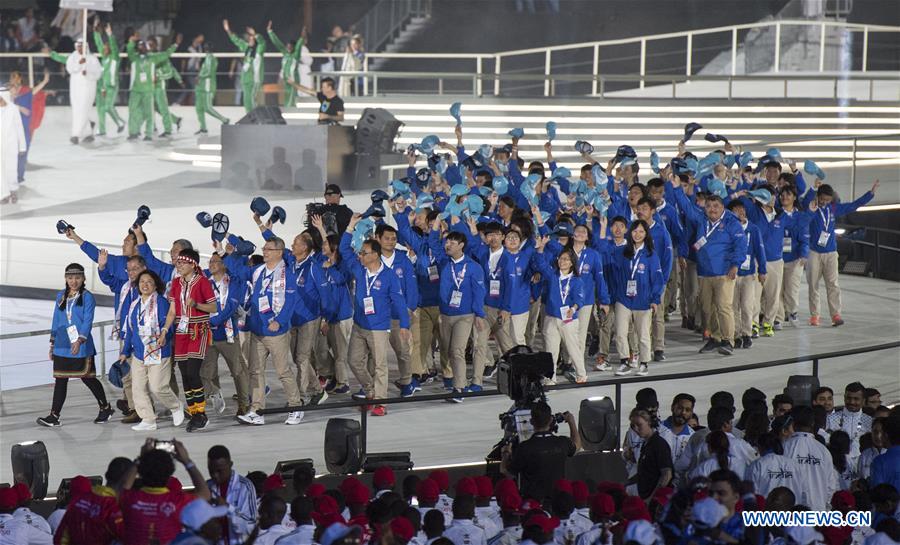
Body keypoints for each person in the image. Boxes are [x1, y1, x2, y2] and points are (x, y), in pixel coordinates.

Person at [228, 236, 304, 426]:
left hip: (276, 333)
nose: (264, 251)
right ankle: (257, 410)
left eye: (268, 249)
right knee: (255, 372)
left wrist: (279, 321)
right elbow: (235, 269)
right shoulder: (258, 271)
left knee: (282, 371)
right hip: (258, 331)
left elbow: (291, 301)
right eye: (264, 248)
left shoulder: (289, 275)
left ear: (279, 252)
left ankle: (296, 406)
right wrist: (235, 251)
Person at [339, 216, 410, 415]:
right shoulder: (359, 270)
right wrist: (350, 226)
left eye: (364, 252)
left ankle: (380, 402)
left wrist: (404, 325)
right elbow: (344, 249)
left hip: (379, 327)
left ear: (375, 255)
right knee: (354, 361)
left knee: (380, 365)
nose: (360, 255)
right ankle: (370, 391)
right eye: (360, 252)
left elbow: (399, 301)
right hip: (360, 325)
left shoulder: (389, 276)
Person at [37, 263, 113, 427]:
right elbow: (56, 319)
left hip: (81, 345)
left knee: (88, 378)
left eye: (77, 277)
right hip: (62, 344)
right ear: (65, 278)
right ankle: (54, 416)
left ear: (83, 278)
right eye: (70, 278)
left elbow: (87, 321)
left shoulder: (87, 297)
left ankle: (105, 407)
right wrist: (52, 343)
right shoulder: (61, 296)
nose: (73, 281)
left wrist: (79, 340)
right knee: (60, 380)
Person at [803, 180, 879, 326]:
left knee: (833, 284)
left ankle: (836, 315)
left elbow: (853, 205)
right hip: (814, 252)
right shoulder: (811, 208)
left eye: (827, 200)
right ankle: (814, 315)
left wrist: (871, 194)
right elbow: (805, 200)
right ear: (818, 197)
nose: (824, 202)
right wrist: (813, 188)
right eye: (822, 199)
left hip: (831, 251)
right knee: (813, 284)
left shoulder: (833, 208)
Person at [159, 249, 217, 432]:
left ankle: (201, 413)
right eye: (178, 262)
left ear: (193, 264)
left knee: (193, 372)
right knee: (184, 374)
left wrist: (197, 305)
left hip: (197, 330)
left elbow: (214, 306)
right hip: (181, 331)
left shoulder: (203, 282)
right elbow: (172, 311)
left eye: (183, 262)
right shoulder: (176, 283)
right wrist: (164, 330)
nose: (179, 265)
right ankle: (195, 412)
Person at [119, 269, 184, 431]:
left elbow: (168, 326)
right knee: (138, 388)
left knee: (158, 387)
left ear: (155, 285)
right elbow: (130, 330)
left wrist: (165, 337)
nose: (145, 285)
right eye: (142, 282)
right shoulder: (134, 305)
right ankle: (148, 419)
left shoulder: (161, 303)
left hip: (158, 352)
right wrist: (125, 351)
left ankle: (176, 406)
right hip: (139, 354)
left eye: (149, 281)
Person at [428, 224, 487, 401]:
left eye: (452, 242)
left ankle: (459, 388)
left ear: (461, 245)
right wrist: (435, 227)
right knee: (447, 350)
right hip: (446, 314)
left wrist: (479, 314)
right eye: (447, 242)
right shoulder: (444, 262)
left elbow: (479, 292)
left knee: (457, 350)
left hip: (465, 315)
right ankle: (457, 382)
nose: (448, 245)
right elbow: (432, 242)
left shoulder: (473, 267)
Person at [120, 438, 211, 545]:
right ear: (170, 474)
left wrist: (140, 459)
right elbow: (205, 493)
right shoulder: (177, 502)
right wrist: (187, 461)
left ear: (141, 472)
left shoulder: (130, 499)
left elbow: (123, 487)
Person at [608, 219, 664, 376]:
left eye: (641, 231)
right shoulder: (622, 252)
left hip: (643, 300)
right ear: (630, 232)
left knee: (643, 334)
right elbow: (613, 271)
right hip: (623, 299)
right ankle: (624, 361)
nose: (637, 234)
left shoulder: (651, 255)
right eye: (634, 231)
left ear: (646, 234)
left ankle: (644, 363)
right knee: (620, 332)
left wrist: (655, 299)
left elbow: (657, 279)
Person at [201, 251, 250, 416]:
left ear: (224, 264)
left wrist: (213, 321)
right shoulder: (204, 283)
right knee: (205, 373)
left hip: (227, 334)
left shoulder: (233, 283)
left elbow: (231, 307)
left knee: (237, 371)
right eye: (210, 261)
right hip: (207, 335)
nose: (211, 264)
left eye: (216, 261)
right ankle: (215, 392)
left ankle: (244, 404)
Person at [533, 235, 588, 383]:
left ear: (572, 263)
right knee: (551, 350)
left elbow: (579, 298)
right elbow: (541, 264)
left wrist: (574, 308)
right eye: (560, 258)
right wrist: (541, 248)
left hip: (568, 319)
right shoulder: (552, 275)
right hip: (551, 317)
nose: (562, 261)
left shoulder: (577, 280)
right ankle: (550, 379)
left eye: (566, 259)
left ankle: (581, 374)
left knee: (572, 348)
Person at [501, 402, 580, 502]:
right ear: (551, 420)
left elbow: (507, 472)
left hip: (532, 503)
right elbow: (577, 445)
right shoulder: (562, 443)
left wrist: (505, 454)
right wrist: (571, 422)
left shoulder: (524, 448)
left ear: (531, 421)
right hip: (556, 501)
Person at [54, 460, 129, 545]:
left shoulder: (79, 501)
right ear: (127, 480)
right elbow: (134, 538)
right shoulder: (114, 507)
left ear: (107, 475)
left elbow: (60, 539)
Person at [782, 406, 838, 510]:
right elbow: (831, 486)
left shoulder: (785, 447)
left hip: (791, 511)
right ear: (812, 423)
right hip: (818, 510)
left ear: (792, 423)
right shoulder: (823, 451)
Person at [125, 33, 179, 141]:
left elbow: (167, 58)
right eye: (140, 45)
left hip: (151, 89)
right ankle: (133, 132)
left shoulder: (154, 58)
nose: (142, 47)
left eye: (144, 45)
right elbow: (129, 51)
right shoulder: (135, 58)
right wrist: (131, 41)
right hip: (137, 90)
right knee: (135, 111)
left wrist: (175, 45)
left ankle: (152, 133)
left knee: (153, 111)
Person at [48, 38, 101, 144]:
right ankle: (87, 132)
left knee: (83, 108)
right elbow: (70, 68)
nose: (80, 48)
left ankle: (75, 135)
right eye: (78, 46)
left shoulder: (92, 59)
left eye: (82, 46)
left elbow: (98, 73)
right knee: (77, 109)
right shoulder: (73, 57)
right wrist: (79, 63)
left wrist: (88, 73)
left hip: (88, 88)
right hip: (75, 88)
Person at [206, 445, 258, 544]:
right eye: (211, 471)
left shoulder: (245, 487)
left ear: (230, 464)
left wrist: (228, 508)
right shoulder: (207, 486)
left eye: (219, 471)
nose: (215, 475)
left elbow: (251, 526)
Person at [8, 70, 51, 187]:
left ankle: (18, 176)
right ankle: (10, 177)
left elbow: (36, 91)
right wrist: (18, 107)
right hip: (10, 132)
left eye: (16, 78)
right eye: (12, 78)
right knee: (11, 154)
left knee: (22, 153)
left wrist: (45, 81)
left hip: (23, 131)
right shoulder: (6, 99)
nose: (14, 81)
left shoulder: (25, 95)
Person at [627, 408, 673, 501]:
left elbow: (667, 474)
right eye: (633, 426)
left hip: (655, 500)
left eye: (639, 425)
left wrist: (653, 498)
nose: (635, 429)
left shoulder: (659, 444)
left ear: (649, 422)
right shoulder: (646, 444)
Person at [223, 19, 266, 113]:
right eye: (249, 37)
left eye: (252, 37)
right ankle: (249, 118)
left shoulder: (259, 49)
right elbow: (236, 40)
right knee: (246, 101)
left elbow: (262, 42)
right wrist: (228, 30)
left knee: (251, 99)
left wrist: (255, 33)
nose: (250, 38)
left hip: (254, 79)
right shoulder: (246, 48)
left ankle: (256, 119)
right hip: (245, 78)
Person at [92, 20, 126, 136]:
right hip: (103, 86)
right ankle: (102, 130)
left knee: (108, 106)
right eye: (104, 48)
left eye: (106, 48)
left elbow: (114, 47)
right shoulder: (104, 58)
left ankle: (121, 122)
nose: (104, 49)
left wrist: (110, 34)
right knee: (101, 108)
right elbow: (98, 43)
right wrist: (96, 32)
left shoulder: (114, 57)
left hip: (112, 86)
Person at [267, 21, 311, 108]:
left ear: (293, 48)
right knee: (287, 97)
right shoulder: (285, 54)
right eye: (287, 47)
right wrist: (270, 32)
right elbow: (278, 43)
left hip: (293, 80)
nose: (288, 48)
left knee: (292, 97)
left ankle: (292, 112)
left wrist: (303, 33)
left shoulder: (295, 55)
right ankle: (289, 111)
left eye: (290, 47)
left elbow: (299, 43)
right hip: (287, 80)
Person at [194, 42, 230, 134]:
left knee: (207, 107)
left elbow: (209, 72)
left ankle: (224, 119)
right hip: (201, 86)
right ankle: (203, 128)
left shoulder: (210, 58)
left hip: (208, 86)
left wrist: (199, 76)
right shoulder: (207, 58)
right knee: (199, 108)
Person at [152, 35, 184, 137]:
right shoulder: (148, 58)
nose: (149, 46)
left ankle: (168, 130)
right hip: (149, 87)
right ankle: (175, 120)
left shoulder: (162, 57)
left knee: (163, 108)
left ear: (155, 45)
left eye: (151, 44)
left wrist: (179, 79)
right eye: (148, 44)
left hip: (159, 87)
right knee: (152, 107)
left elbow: (171, 71)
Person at [0, 85, 26, 204]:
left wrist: (22, 146)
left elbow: (19, 128)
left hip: (11, 145)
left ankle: (13, 191)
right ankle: (3, 194)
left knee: (11, 169)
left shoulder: (13, 109)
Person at [869, 414, 900, 491]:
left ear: (885, 436)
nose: (879, 436)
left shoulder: (880, 461)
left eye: (881, 432)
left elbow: (878, 492)